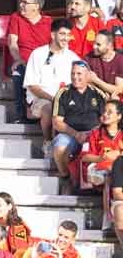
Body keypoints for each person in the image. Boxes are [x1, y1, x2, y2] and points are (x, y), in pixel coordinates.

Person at [51, 61, 105, 191]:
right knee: (59, 147)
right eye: (73, 73)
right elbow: (56, 122)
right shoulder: (63, 93)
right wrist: (76, 134)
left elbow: (104, 119)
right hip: (70, 134)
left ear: (88, 76)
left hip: (93, 134)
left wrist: (92, 134)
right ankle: (66, 177)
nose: (75, 77)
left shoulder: (98, 94)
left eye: (79, 74)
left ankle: (97, 185)